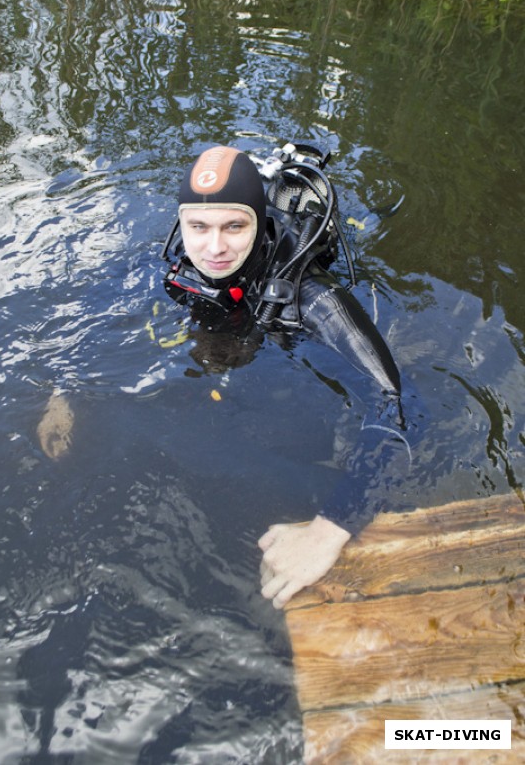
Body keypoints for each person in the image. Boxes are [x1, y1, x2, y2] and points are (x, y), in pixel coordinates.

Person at [162, 142, 409, 608]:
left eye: (234, 226)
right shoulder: (178, 259)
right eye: (199, 227)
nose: (213, 248)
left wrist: (330, 529)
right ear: (182, 223)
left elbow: (397, 405)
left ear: (259, 222)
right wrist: (52, 394)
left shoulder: (316, 300)